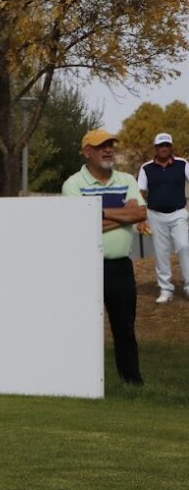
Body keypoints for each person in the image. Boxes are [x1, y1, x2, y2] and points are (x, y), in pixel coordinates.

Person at [62, 129, 147, 385]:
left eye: (111, 145)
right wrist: (123, 215)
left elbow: (140, 214)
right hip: (86, 266)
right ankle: (79, 381)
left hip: (120, 265)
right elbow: (81, 228)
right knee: (83, 328)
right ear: (87, 152)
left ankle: (132, 382)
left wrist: (97, 214)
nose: (108, 149)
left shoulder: (127, 179)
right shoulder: (74, 184)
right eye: (101, 146)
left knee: (124, 329)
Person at [137, 132, 189, 304]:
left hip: (178, 213)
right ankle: (166, 289)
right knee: (161, 253)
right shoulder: (146, 168)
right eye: (161, 146)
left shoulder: (183, 164)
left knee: (184, 246)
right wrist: (140, 218)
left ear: (171, 147)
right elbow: (141, 193)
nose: (164, 148)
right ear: (156, 148)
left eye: (167, 145)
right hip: (155, 214)